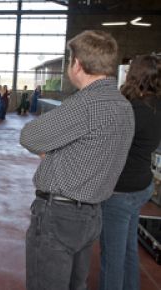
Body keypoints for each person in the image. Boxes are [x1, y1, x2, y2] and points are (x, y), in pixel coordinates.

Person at [20, 30, 135, 290]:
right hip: (92, 214)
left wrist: (53, 151)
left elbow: (29, 136)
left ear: (77, 64)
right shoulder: (123, 104)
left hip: (59, 216)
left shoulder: (86, 103)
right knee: (76, 284)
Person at [99, 54, 161, 290]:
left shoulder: (130, 109)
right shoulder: (156, 105)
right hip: (142, 185)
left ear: (134, 75)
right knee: (128, 250)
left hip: (120, 191)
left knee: (112, 258)